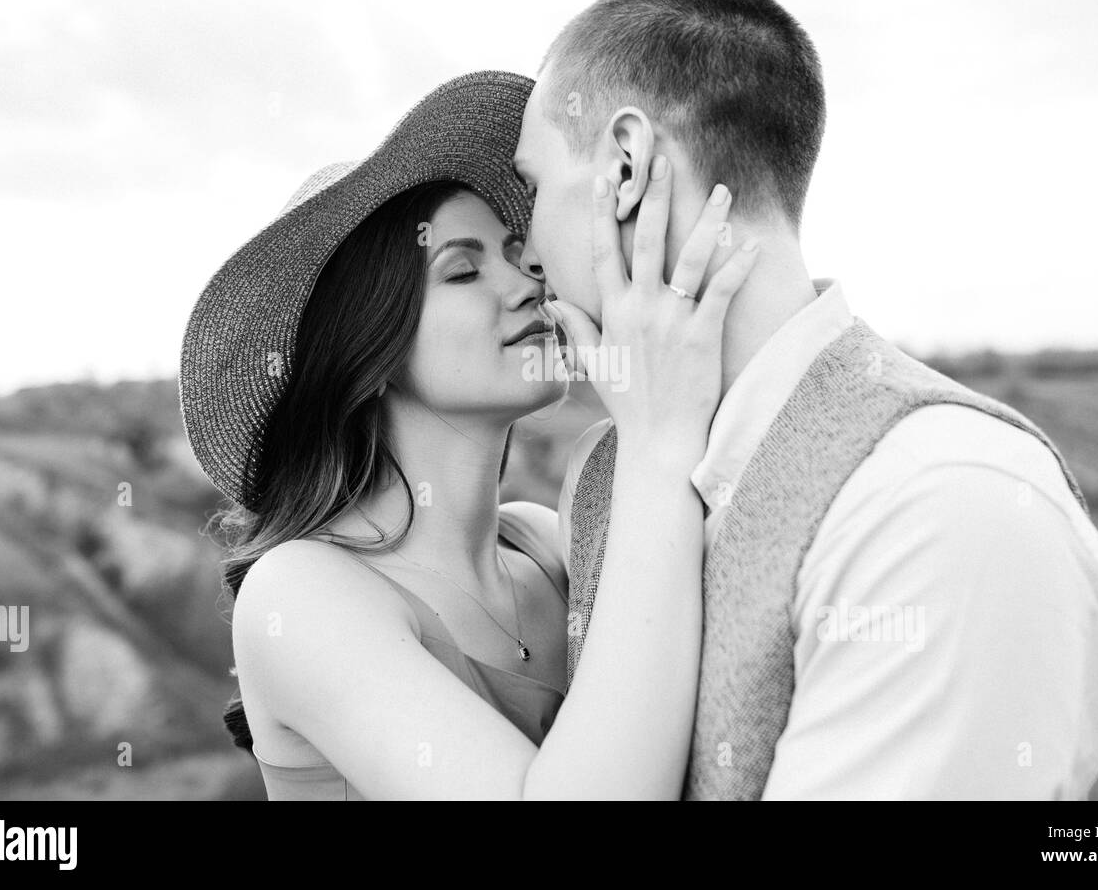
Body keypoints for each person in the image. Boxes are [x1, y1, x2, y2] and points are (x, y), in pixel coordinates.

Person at [515, 0, 1098, 799]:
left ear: (625, 169)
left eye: (531, 187)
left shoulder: (944, 506)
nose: (524, 250)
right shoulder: (607, 481)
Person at [179, 70, 758, 799]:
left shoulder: (552, 545)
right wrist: (656, 440)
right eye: (462, 270)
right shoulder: (298, 595)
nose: (526, 284)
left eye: (519, 253)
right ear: (370, 348)